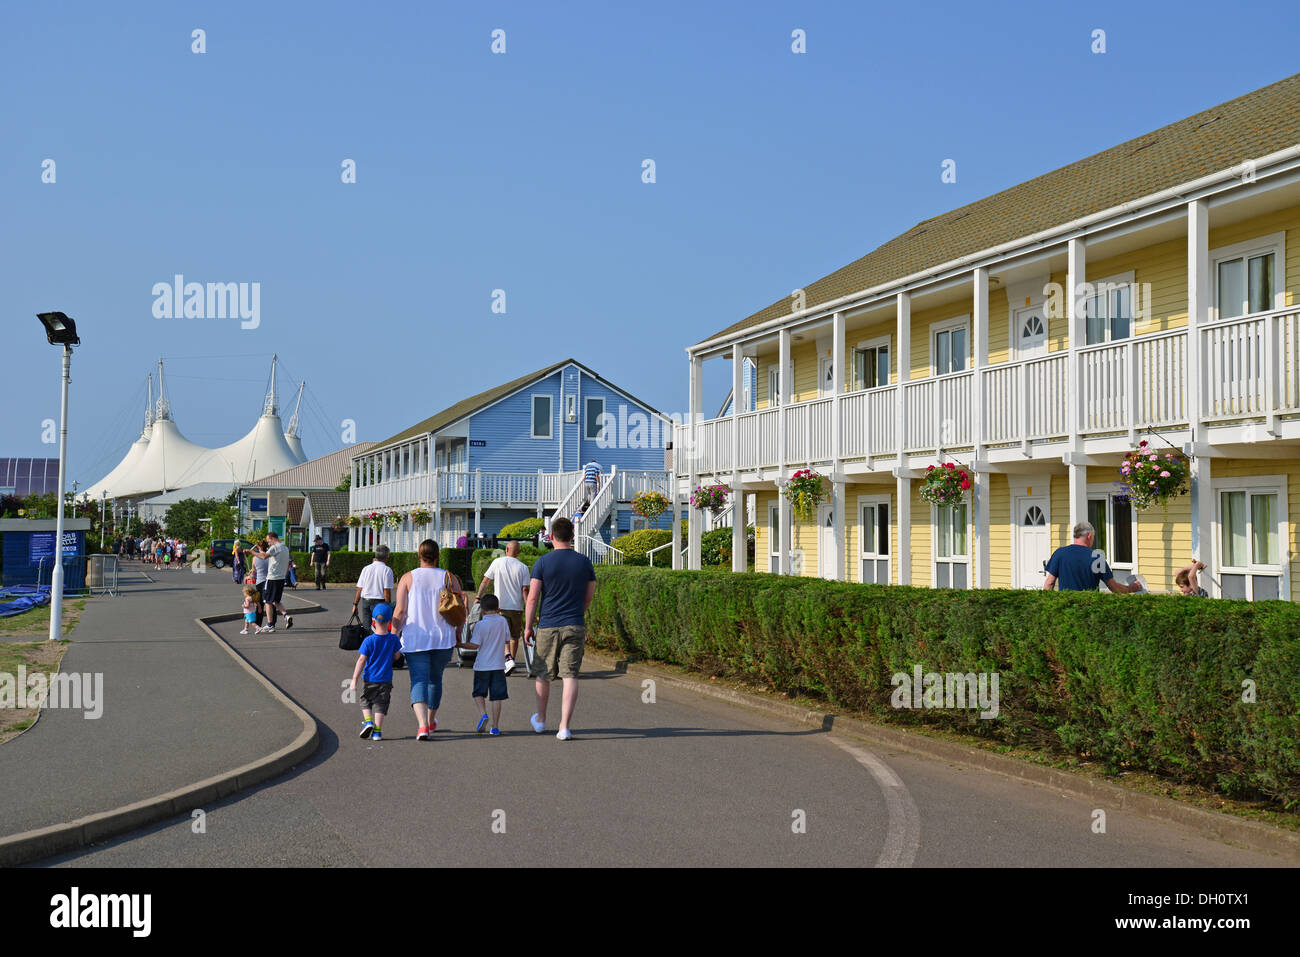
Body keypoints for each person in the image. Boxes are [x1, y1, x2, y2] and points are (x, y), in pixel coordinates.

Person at [523, 516, 596, 740]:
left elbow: (533, 598)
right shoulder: (584, 562)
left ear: (551, 536)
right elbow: (589, 597)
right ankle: (564, 726)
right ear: (572, 536)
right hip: (574, 623)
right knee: (570, 675)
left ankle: (542, 720)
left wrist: (528, 626)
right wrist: (577, 615)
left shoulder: (543, 562)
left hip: (547, 624)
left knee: (543, 675)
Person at [391, 539, 463, 740]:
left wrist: (393, 636)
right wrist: (458, 632)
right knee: (435, 680)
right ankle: (431, 721)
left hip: (416, 638)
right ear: (438, 556)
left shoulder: (408, 578)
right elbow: (460, 608)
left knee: (419, 680)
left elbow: (401, 610)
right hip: (443, 638)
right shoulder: (449, 578)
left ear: (419, 556)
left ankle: (422, 726)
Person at [457, 593, 510, 735]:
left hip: (482, 666)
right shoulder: (503, 621)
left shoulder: (480, 625)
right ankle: (495, 726)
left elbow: (474, 645)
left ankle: (483, 714)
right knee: (497, 697)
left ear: (482, 610)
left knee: (478, 693)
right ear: (498, 609)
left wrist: (460, 644)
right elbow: (507, 640)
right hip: (498, 666)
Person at [1043, 521, 1143, 594]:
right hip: (1089, 611)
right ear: (1089, 536)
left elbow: (1049, 583)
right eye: (1093, 537)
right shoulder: (1097, 557)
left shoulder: (1059, 553)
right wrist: (1131, 588)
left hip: (1065, 612)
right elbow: (1113, 587)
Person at [350, 602, 401, 742]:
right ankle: (377, 732)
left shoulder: (368, 641)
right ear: (390, 621)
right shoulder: (393, 639)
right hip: (386, 679)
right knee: (381, 704)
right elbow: (397, 656)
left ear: (373, 620)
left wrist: (354, 679)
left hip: (370, 678)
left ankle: (368, 722)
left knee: (365, 700)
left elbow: (361, 660)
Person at [478, 540, 531, 675]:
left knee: (502, 636)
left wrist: (478, 597)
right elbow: (525, 589)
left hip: (499, 607)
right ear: (518, 552)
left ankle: (507, 660)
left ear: (507, 549)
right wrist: (528, 607)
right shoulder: (523, 567)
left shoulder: (497, 563)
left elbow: (485, 581)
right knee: (514, 636)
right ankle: (511, 660)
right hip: (517, 607)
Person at [253, 532, 294, 632]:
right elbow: (288, 564)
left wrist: (251, 553)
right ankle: (286, 616)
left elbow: (263, 557)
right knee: (276, 601)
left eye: (268, 541)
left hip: (272, 578)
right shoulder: (285, 548)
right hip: (281, 578)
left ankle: (270, 624)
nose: (268, 543)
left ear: (272, 539)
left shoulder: (274, 548)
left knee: (267, 601)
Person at [352, 544, 393, 627]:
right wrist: (388, 606)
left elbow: (360, 589)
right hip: (379, 601)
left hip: (366, 601)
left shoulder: (366, 569)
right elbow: (386, 591)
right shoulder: (387, 570)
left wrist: (355, 604)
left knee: (366, 627)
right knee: (379, 626)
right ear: (387, 556)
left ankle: (367, 639)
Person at [251, 540, 269, 628]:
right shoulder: (269, 556)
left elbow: (253, 572)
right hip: (269, 581)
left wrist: (250, 577)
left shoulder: (255, 558)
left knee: (260, 604)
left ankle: (258, 623)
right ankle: (272, 623)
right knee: (270, 602)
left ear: (258, 547)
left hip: (260, 581)